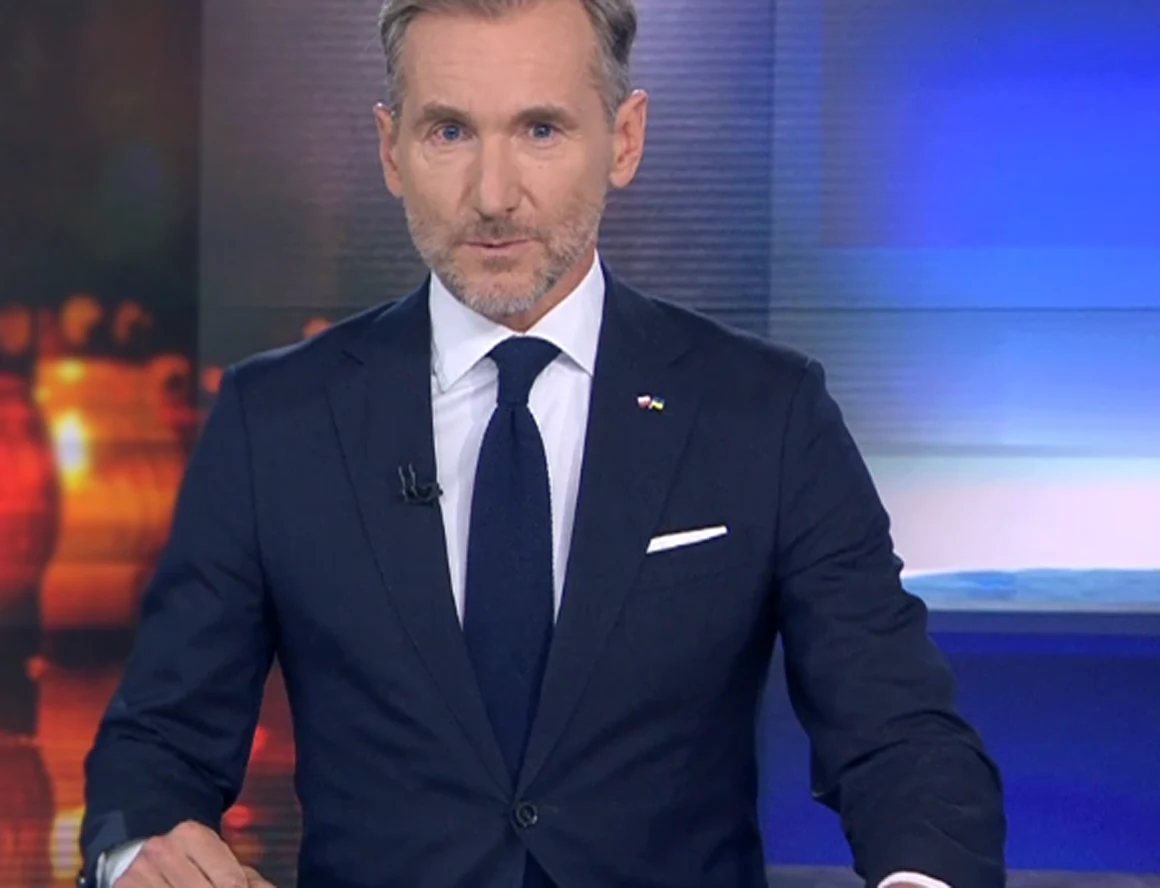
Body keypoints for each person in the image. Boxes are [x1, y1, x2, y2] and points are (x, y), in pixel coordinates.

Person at [78, 0, 1006, 885]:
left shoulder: (763, 412)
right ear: (391, 150)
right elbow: (156, 744)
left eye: (540, 130)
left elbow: (899, 734)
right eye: (449, 131)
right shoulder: (275, 420)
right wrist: (140, 852)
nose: (492, 196)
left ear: (624, 139)